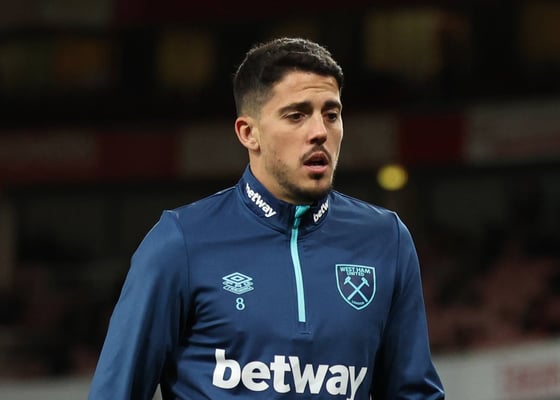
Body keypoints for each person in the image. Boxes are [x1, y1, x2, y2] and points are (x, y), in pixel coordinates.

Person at [88, 37, 445, 399]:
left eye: (331, 114)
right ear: (249, 133)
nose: (320, 132)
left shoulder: (385, 239)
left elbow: (413, 393)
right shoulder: (180, 242)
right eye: (296, 115)